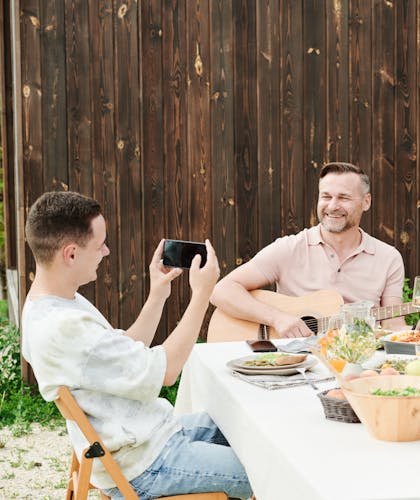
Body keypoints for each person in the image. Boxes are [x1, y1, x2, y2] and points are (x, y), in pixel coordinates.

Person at [21, 191, 252, 499]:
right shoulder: (63, 327)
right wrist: (201, 296)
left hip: (155, 437)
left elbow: (124, 348)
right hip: (147, 465)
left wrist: (158, 294)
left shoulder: (57, 303)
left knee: (257, 432)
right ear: (71, 254)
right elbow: (167, 372)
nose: (106, 251)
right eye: (99, 243)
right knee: (268, 472)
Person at [211, 162, 420, 338]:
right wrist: (278, 318)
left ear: (366, 202)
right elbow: (221, 291)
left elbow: (393, 327)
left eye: (344, 197)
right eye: (326, 196)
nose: (332, 206)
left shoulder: (388, 257)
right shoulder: (289, 248)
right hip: (293, 363)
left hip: (357, 365)